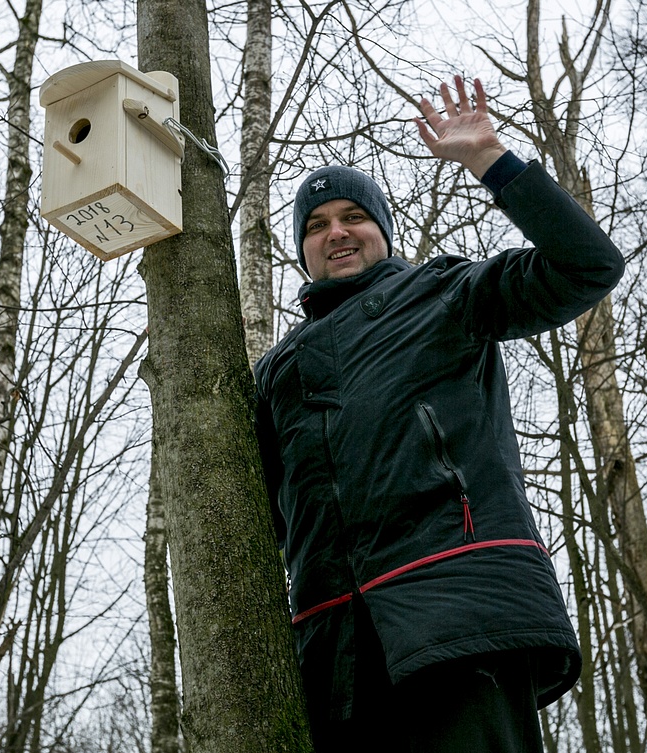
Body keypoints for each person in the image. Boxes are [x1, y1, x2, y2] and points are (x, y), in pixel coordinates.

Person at [252, 75, 625, 752]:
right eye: (316, 225)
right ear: (302, 250)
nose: (336, 232)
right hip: (336, 658)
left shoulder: (445, 293)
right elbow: (271, 517)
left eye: (352, 216)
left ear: (383, 232)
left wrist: (489, 159)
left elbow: (587, 266)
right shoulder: (277, 371)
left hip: (459, 619)